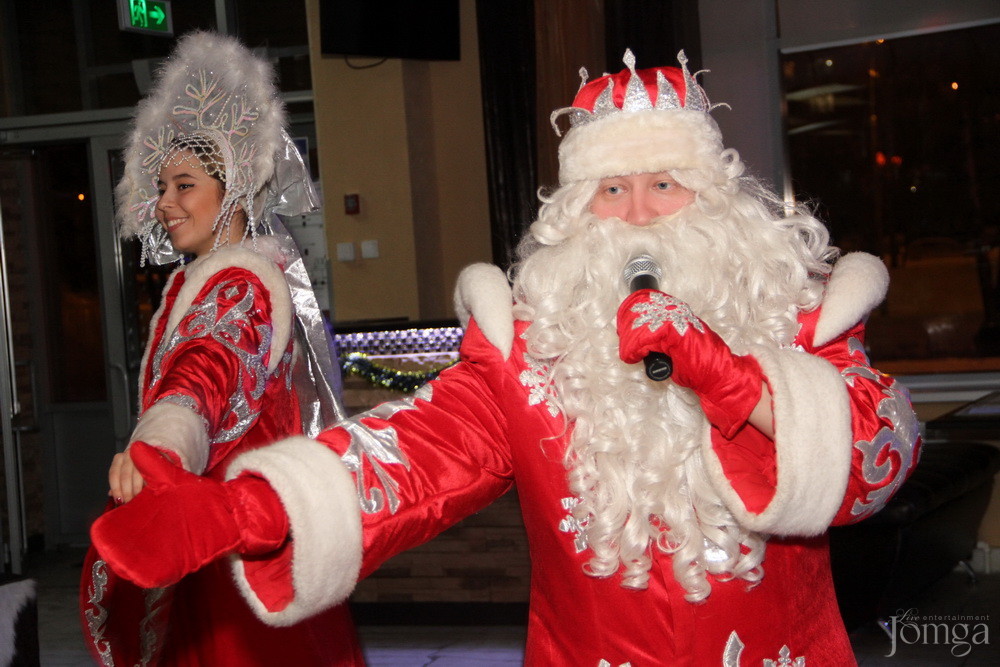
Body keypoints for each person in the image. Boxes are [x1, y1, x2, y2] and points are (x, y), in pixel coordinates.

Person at [89, 50, 922, 665]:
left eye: (664, 184)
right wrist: (249, 510)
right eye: (610, 189)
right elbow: (415, 454)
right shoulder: (533, 349)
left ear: (714, 197)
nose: (636, 213)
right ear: (577, 211)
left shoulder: (797, 318)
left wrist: (737, 383)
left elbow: (884, 449)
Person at [78, 31, 363, 666]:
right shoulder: (199, 279)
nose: (166, 203)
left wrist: (159, 444)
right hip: (227, 527)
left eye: (184, 185)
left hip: (234, 542)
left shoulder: (238, 285)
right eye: (162, 188)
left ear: (231, 188)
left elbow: (203, 374)